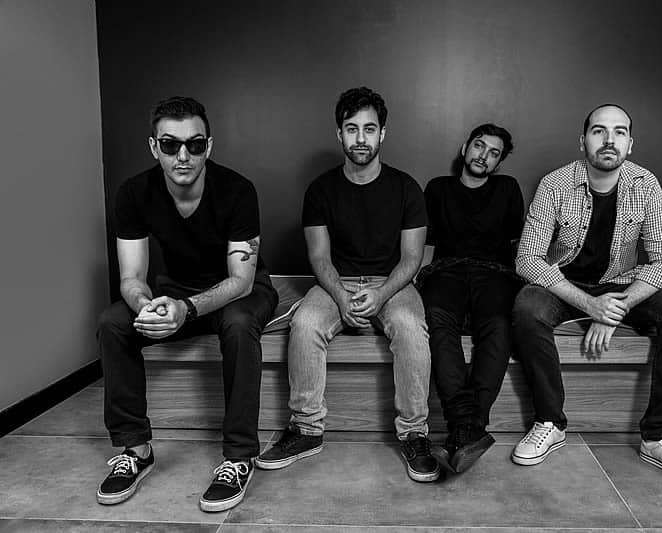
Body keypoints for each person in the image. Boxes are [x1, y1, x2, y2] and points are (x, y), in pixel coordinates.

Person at [511, 104, 662, 489]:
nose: (609, 140)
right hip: (567, 285)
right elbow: (528, 259)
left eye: (619, 132)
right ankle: (550, 422)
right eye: (599, 131)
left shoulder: (645, 184)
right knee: (527, 305)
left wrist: (616, 308)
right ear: (582, 140)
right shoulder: (555, 183)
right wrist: (590, 306)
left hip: (622, 284)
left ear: (630, 144)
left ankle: (659, 435)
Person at [96, 96, 278, 511]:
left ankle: (239, 457)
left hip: (242, 291)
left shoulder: (237, 190)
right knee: (113, 322)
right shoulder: (134, 193)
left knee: (238, 324)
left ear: (208, 147)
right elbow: (131, 278)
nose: (183, 156)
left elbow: (241, 280)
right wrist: (147, 306)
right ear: (153, 147)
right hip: (176, 290)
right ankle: (135, 449)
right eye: (170, 144)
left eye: (194, 145)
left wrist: (187, 310)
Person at [256, 87, 439, 482]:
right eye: (351, 128)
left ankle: (414, 434)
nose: (360, 138)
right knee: (305, 323)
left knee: (410, 326)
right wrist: (341, 296)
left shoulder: (407, 188)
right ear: (339, 133)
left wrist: (381, 294)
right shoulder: (320, 190)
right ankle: (306, 430)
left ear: (382, 134)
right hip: (336, 281)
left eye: (369, 129)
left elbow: (412, 259)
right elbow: (319, 258)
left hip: (392, 283)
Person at [418, 124, 524, 473]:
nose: (484, 156)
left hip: (495, 273)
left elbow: (518, 245)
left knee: (498, 323)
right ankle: (469, 426)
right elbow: (425, 242)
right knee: (436, 320)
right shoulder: (438, 188)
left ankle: (464, 428)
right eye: (479, 146)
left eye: (494, 153)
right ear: (465, 147)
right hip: (445, 271)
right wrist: (416, 283)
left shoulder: (507, 188)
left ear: (498, 162)